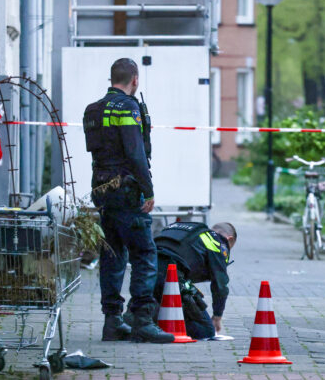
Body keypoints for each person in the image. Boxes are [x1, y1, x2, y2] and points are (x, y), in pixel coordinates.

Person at [82, 58, 173, 344]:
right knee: (145, 254)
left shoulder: (92, 110)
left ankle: (112, 321)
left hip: (101, 190)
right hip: (127, 190)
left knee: (112, 254)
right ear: (134, 80)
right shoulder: (129, 107)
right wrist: (148, 190)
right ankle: (143, 321)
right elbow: (135, 153)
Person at [126, 221, 236, 340]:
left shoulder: (180, 229)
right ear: (229, 239)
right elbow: (220, 284)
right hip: (171, 278)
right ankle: (153, 325)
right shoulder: (215, 240)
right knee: (206, 331)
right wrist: (217, 316)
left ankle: (137, 319)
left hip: (146, 273)